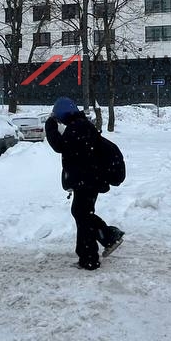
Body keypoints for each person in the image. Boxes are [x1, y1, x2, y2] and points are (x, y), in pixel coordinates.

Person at [44, 96, 123, 271]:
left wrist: (50, 126)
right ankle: (93, 249)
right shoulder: (80, 125)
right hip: (88, 180)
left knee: (83, 215)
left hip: (87, 181)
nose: (59, 121)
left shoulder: (77, 128)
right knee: (82, 214)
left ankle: (96, 251)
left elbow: (60, 146)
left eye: (58, 117)